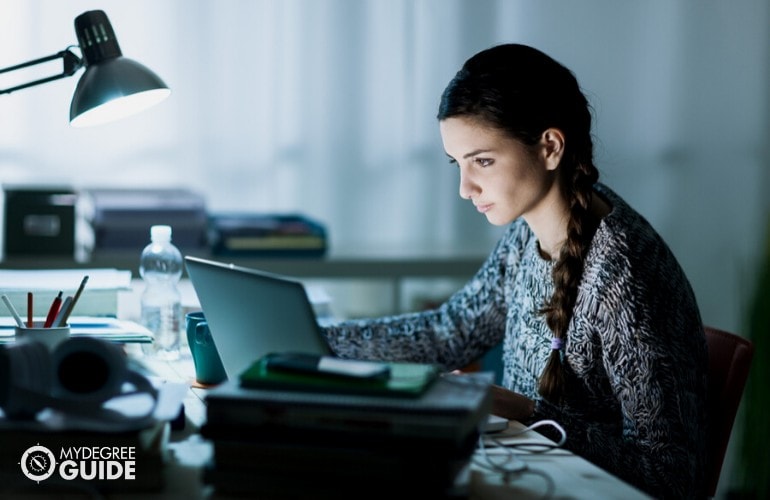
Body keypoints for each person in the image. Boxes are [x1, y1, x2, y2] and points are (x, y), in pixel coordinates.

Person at [320, 43, 708, 499]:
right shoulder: (531, 231)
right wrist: (315, 340)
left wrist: (527, 412)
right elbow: (451, 332)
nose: (465, 188)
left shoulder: (623, 275)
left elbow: (672, 478)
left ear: (549, 147)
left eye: (482, 160)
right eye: (458, 163)